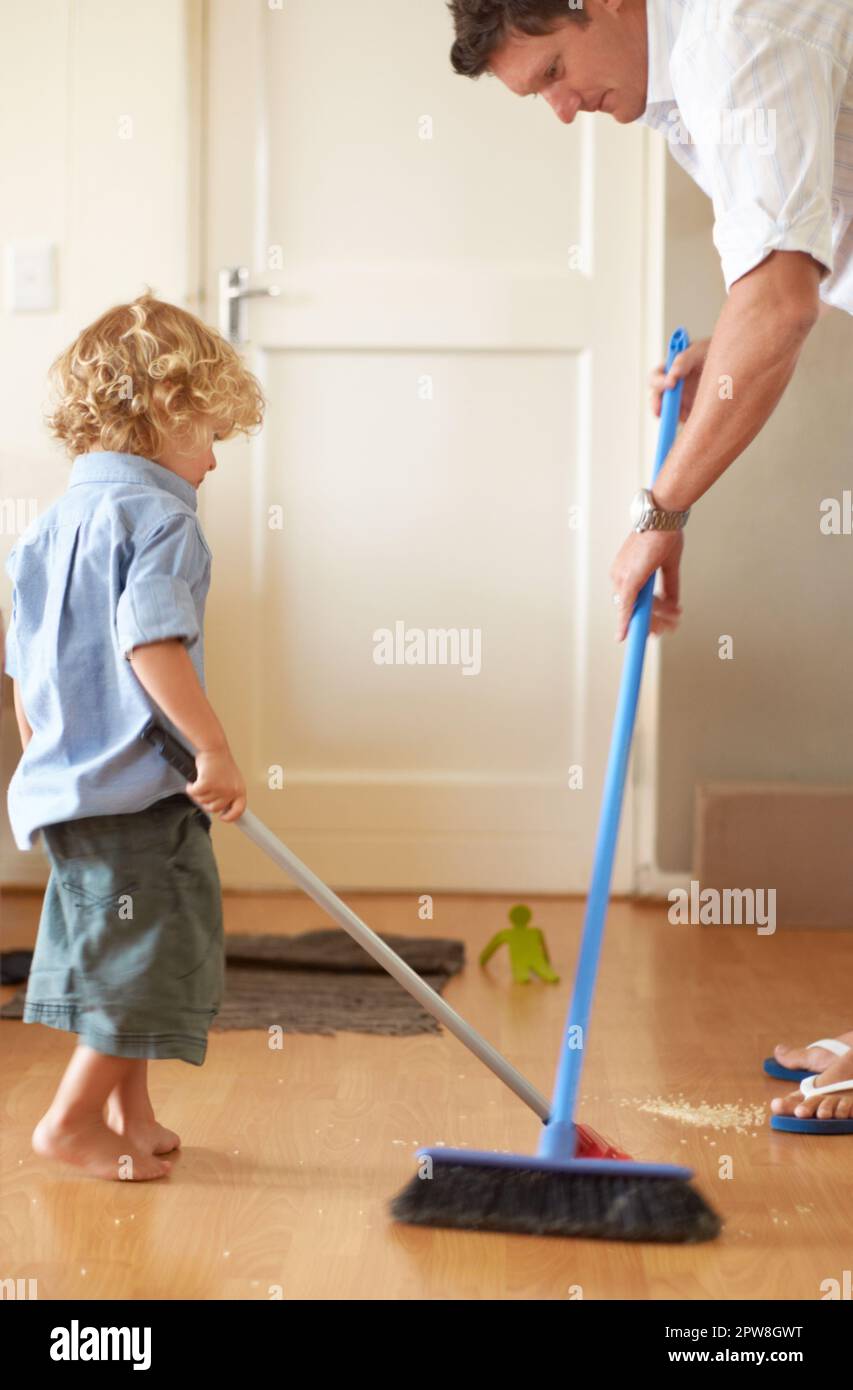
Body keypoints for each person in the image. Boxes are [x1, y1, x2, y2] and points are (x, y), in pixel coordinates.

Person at [447, 0, 853, 1127]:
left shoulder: (734, 38)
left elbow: (781, 301)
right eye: (543, 95)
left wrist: (659, 507)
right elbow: (765, 286)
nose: (566, 110)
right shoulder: (680, 86)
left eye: (556, 73)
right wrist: (718, 355)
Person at [4, 291, 264, 1179]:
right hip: (135, 791)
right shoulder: (163, 522)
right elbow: (151, 640)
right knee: (153, 953)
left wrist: (42, 738)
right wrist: (215, 747)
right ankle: (72, 1122)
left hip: (69, 790)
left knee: (114, 946)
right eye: (210, 435)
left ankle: (131, 1110)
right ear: (166, 411)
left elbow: (24, 669)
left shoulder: (49, 526)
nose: (216, 461)